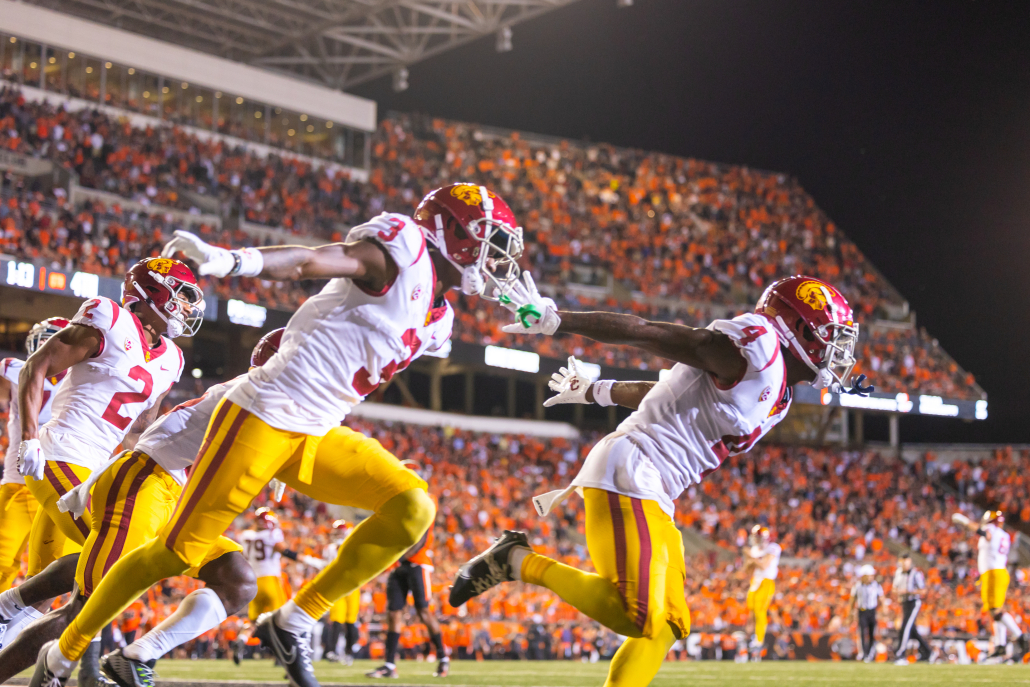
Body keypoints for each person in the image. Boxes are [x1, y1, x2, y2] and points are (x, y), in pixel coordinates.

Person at [31, 183, 524, 687]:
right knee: (174, 552)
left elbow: (337, 353)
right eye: (489, 241)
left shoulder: (442, 322)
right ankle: (62, 653)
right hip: (262, 414)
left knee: (413, 508)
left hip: (316, 428)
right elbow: (313, 261)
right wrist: (231, 262)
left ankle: (294, 620)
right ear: (451, 233)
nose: (494, 258)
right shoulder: (403, 248)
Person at [450, 274, 871, 686]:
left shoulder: (779, 392)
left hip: (656, 486)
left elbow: (666, 390)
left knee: (669, 623)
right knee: (637, 615)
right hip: (634, 469)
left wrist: (599, 390)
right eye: (831, 335)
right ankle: (515, 560)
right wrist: (560, 319)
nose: (838, 351)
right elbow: (654, 334)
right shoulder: (757, 350)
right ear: (798, 329)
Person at [0, 329, 288, 686]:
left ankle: (134, 657)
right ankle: (29, 635)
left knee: (237, 578)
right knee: (91, 602)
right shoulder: (248, 393)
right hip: (139, 483)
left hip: (173, 496)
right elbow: (165, 438)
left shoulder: (281, 405)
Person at [4, 257, 202, 681]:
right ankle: (78, 665)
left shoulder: (171, 359)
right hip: (61, 452)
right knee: (113, 557)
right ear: (153, 293)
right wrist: (29, 439)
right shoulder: (108, 318)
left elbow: (141, 429)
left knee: (110, 561)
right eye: (181, 296)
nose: (186, 308)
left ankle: (12, 613)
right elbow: (37, 367)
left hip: (99, 470)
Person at [0, 318, 69, 593]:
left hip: (59, 484)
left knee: (51, 573)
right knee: (4, 562)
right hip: (19, 482)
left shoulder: (82, 381)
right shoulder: (16, 369)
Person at [366, 521, 448, 678]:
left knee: (423, 611)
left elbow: (421, 539)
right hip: (398, 567)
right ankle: (389, 665)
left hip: (417, 564)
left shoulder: (425, 503)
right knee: (393, 613)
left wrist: (399, 557)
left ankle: (443, 657)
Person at [952, 509, 1028, 661]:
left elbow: (984, 533)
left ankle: (1021, 637)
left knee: (995, 610)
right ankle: (1001, 645)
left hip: (994, 573)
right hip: (995, 572)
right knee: (994, 611)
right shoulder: (1004, 534)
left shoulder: (991, 530)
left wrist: (965, 521)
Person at [322, 520, 361, 665]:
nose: (337, 535)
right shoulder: (331, 548)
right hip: (338, 585)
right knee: (337, 620)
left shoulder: (355, 546)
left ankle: (349, 651)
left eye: (340, 532)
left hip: (351, 586)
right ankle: (331, 651)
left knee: (350, 621)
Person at [744, 524, 780, 661]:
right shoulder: (755, 550)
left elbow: (764, 565)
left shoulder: (773, 547)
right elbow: (747, 570)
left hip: (766, 581)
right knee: (751, 611)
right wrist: (749, 560)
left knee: (760, 611)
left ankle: (759, 640)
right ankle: (751, 638)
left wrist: (751, 557)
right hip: (755, 581)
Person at [892, 553, 932, 664]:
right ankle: (928, 652)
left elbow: (923, 591)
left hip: (914, 602)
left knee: (905, 627)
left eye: (906, 561)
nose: (904, 563)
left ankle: (900, 654)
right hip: (904, 602)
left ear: (909, 561)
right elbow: (894, 588)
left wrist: (909, 591)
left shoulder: (916, 574)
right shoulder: (898, 573)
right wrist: (900, 592)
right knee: (911, 630)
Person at [850, 564, 884, 663]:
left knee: (871, 633)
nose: (871, 577)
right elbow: (852, 600)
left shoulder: (876, 585)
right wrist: (851, 612)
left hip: (872, 611)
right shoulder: (857, 586)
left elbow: (881, 598)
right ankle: (863, 653)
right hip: (862, 611)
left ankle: (869, 654)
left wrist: (883, 610)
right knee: (862, 632)